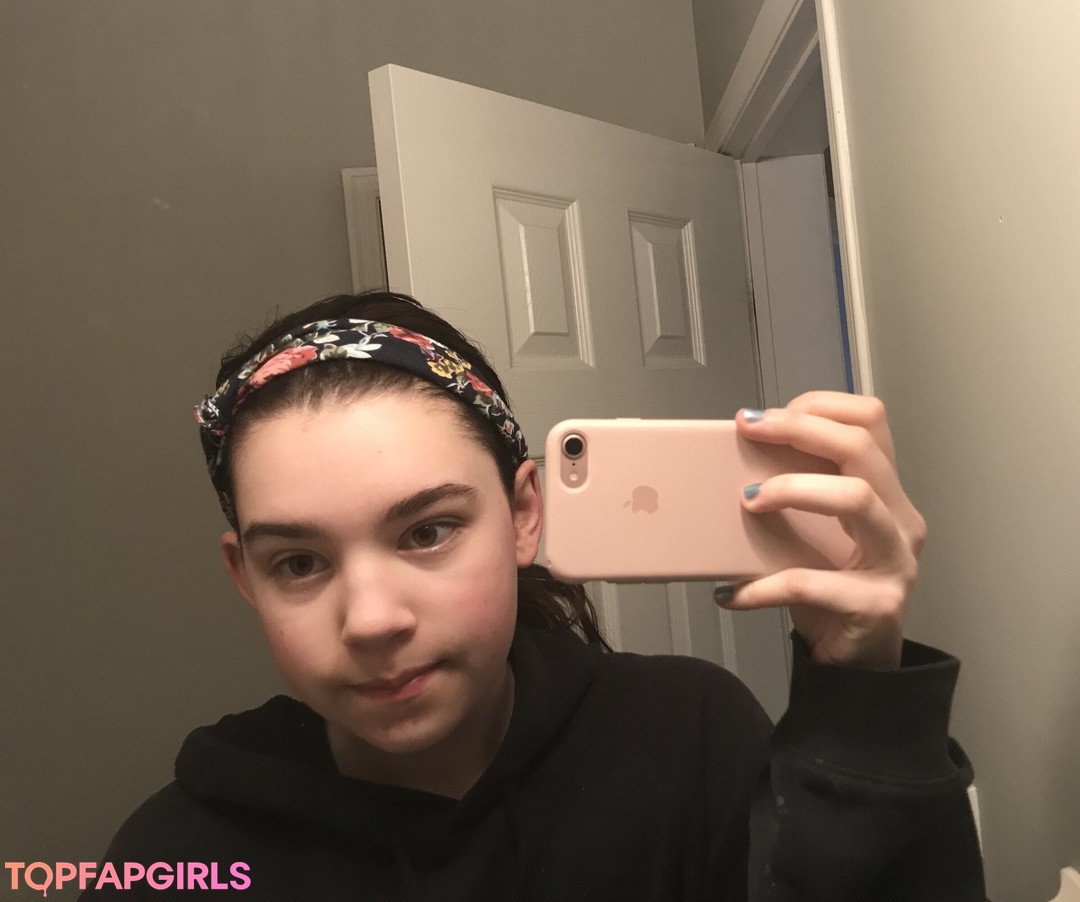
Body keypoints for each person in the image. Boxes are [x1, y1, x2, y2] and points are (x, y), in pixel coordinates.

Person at [80, 289, 986, 900]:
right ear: (245, 576)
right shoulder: (175, 859)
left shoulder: (688, 737)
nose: (372, 620)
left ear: (523, 515)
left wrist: (862, 696)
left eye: (427, 532)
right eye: (299, 564)